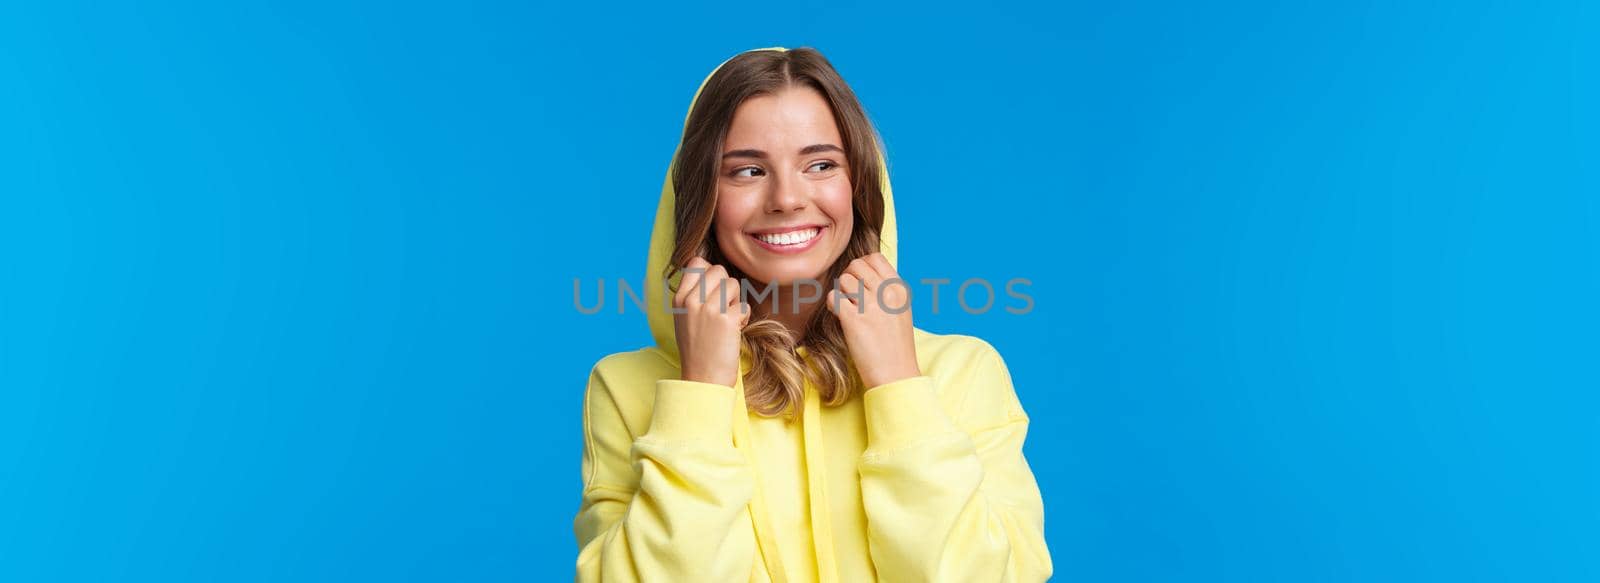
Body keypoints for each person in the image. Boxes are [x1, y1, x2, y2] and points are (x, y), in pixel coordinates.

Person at [573, 46, 1053, 582]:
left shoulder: (963, 373)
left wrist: (898, 387)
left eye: (820, 164)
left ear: (860, 183)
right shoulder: (625, 387)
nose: (787, 198)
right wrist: (701, 393)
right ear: (701, 195)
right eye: (748, 170)